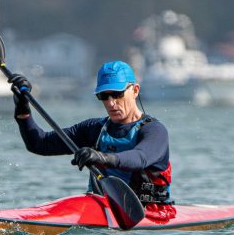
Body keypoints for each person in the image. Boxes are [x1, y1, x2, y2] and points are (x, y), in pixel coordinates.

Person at [9, 60, 174, 220]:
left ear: (135, 90)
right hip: (98, 208)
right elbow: (39, 144)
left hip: (150, 214)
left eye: (117, 94)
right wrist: (23, 111)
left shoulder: (155, 131)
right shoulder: (94, 129)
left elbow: (140, 158)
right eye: (104, 95)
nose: (111, 102)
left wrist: (101, 157)